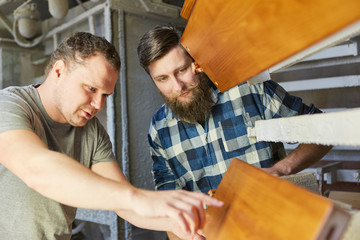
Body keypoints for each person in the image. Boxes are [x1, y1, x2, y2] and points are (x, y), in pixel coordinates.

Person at [0, 32, 223, 240]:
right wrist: (138, 198)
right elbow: (35, 169)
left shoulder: (91, 130)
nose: (98, 105)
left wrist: (181, 225)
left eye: (105, 95)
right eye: (90, 89)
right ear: (59, 71)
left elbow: (126, 207)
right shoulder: (9, 106)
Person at [137, 24, 332, 240]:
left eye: (181, 70)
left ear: (196, 63)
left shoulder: (251, 89)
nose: (178, 86)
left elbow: (323, 129)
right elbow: (169, 206)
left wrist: (281, 169)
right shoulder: (159, 129)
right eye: (163, 79)